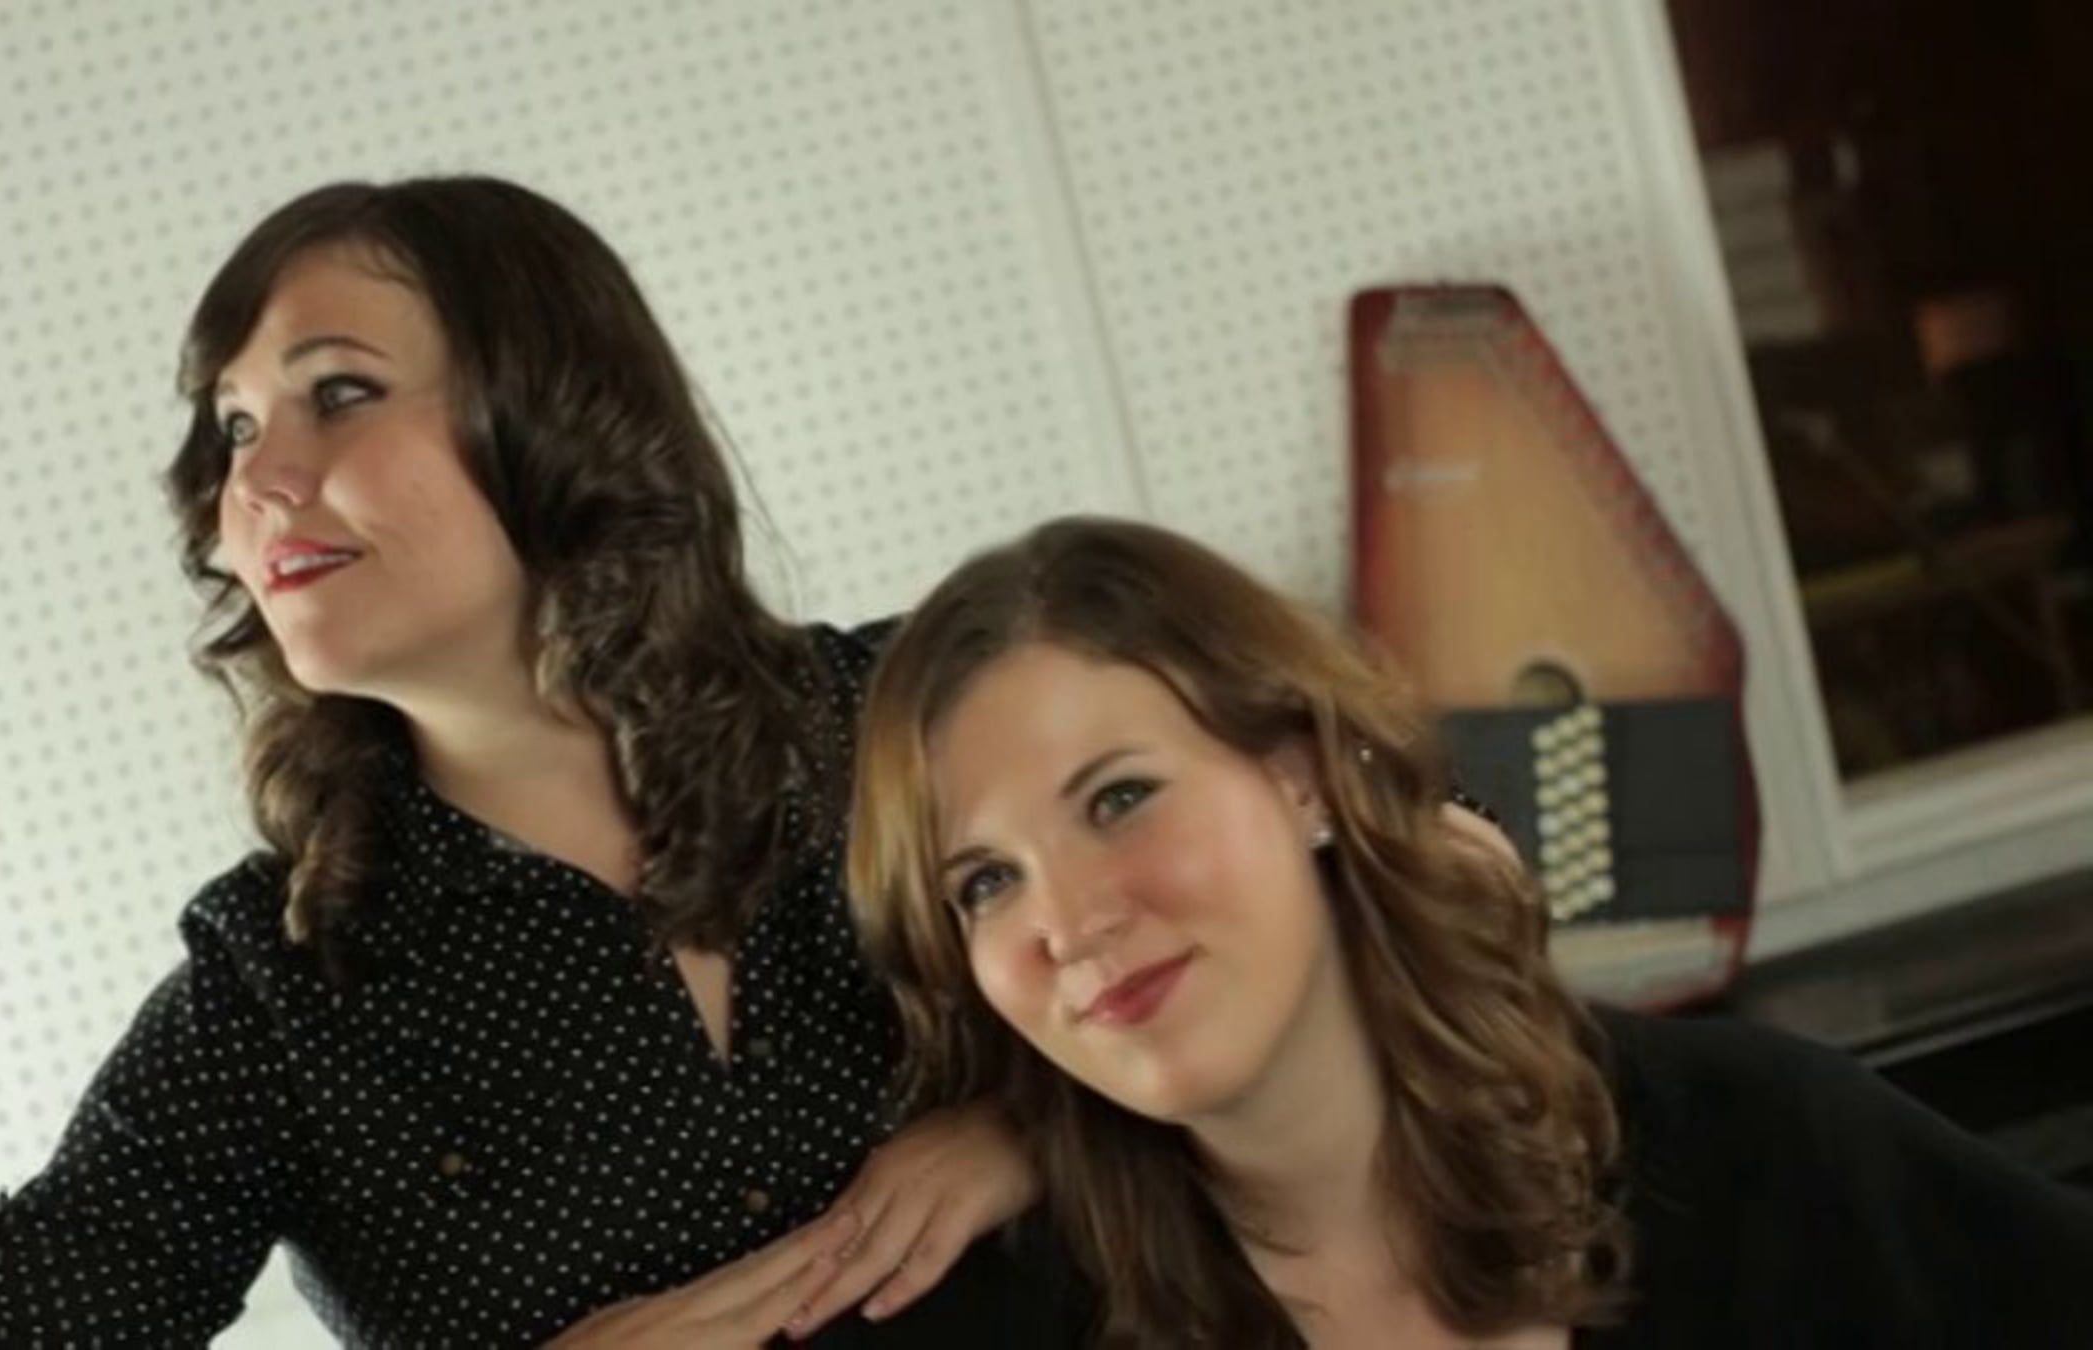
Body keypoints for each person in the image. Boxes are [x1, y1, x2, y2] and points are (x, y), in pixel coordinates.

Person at [0, 177, 1058, 1349]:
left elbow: (1193, 951)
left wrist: (1049, 1125)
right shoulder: (278, 988)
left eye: (339, 393)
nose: (255, 483)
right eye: (237, 427)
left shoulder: (923, 717)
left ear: (557, 411)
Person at [844, 515, 2093, 1349]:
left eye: (1120, 799)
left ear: (1302, 776)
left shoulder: (1756, 1147)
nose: (1066, 923)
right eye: (985, 883)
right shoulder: (1018, 1321)